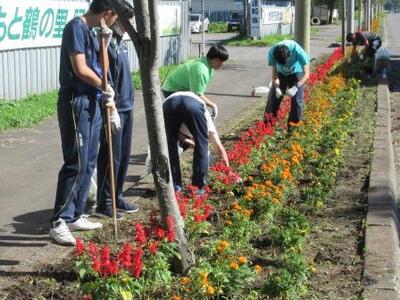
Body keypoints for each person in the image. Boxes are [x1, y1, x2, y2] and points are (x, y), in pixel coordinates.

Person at [50, 0, 119, 245]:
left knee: (89, 160)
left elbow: (102, 69)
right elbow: (80, 69)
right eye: (114, 17)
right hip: (75, 100)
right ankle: (59, 221)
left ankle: (76, 214)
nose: (115, 22)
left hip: (93, 101)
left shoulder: (92, 33)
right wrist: (105, 85)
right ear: (107, 13)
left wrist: (105, 41)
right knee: (75, 161)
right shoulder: (75, 28)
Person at [96, 1, 138, 220]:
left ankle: (117, 195)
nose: (127, 24)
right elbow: (105, 78)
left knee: (124, 156)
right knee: (111, 157)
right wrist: (110, 107)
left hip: (127, 105)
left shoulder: (120, 41)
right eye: (125, 20)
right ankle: (105, 201)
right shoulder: (104, 42)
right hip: (115, 106)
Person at [162, 91, 230, 192]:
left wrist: (191, 143)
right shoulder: (207, 123)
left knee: (171, 147)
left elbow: (176, 135)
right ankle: (198, 188)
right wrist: (229, 172)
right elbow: (219, 148)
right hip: (193, 105)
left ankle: (175, 186)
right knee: (202, 146)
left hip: (169, 104)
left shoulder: (198, 123)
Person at [161, 45, 229, 120]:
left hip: (180, 88)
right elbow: (197, 94)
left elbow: (197, 93)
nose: (222, 64)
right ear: (216, 59)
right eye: (221, 61)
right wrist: (213, 105)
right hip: (172, 90)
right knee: (193, 114)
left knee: (195, 109)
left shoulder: (207, 65)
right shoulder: (201, 70)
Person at [264, 40, 310, 127]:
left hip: (297, 73)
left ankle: (293, 127)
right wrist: (277, 88)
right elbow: (275, 75)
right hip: (281, 74)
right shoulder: (272, 53)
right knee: (273, 99)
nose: (286, 65)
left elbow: (306, 74)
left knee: (297, 100)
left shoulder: (298, 51)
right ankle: (267, 127)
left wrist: (297, 86)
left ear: (290, 54)